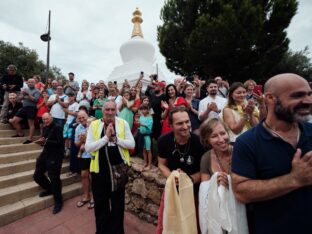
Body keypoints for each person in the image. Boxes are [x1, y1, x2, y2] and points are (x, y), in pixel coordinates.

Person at [231, 73, 312, 234]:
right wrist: (294, 179)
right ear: (270, 98)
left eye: (309, 94)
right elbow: (241, 192)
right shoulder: (247, 143)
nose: (308, 101)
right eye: (298, 95)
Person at [85, 100, 135, 234]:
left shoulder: (122, 123)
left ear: (116, 110)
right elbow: (88, 147)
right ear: (102, 110)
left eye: (113, 109)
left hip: (118, 171)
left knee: (118, 206)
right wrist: (106, 138)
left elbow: (131, 144)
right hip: (99, 172)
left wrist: (116, 139)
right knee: (101, 206)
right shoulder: (94, 125)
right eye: (107, 109)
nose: (110, 112)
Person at [156, 106, 205, 233]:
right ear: (171, 125)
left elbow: (206, 170)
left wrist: (187, 180)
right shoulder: (163, 140)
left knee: (193, 227)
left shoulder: (200, 142)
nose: (185, 126)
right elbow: (161, 165)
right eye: (180, 123)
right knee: (166, 225)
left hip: (194, 192)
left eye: (187, 121)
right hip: (172, 190)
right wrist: (174, 176)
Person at [198, 118, 248, 234]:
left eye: (223, 133)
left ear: (228, 132)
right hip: (218, 215)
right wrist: (214, 183)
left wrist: (230, 182)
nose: (221, 139)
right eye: (214, 136)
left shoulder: (240, 152)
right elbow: (204, 192)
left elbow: (249, 183)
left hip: (244, 210)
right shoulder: (206, 158)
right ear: (207, 140)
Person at [33, 112, 64, 214]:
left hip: (55, 156)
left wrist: (46, 142)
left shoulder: (58, 127)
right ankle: (50, 189)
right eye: (44, 119)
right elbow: (45, 140)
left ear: (51, 117)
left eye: (47, 119)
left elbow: (60, 143)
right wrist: (41, 141)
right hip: (45, 154)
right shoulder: (45, 128)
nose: (45, 121)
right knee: (37, 175)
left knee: (54, 178)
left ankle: (58, 202)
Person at [10, 78, 40, 144]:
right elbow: (19, 99)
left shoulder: (37, 91)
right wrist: (22, 95)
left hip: (32, 108)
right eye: (29, 82)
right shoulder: (25, 89)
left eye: (32, 82)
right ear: (27, 83)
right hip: (24, 107)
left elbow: (36, 100)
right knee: (14, 121)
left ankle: (30, 138)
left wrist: (28, 94)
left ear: (34, 83)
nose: (30, 83)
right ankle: (20, 134)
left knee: (31, 124)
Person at [75, 111, 94, 209]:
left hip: (94, 155)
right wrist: (81, 141)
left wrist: (86, 140)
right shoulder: (78, 128)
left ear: (87, 116)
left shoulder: (94, 124)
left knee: (93, 177)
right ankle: (87, 196)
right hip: (84, 155)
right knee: (84, 175)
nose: (82, 119)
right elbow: (76, 144)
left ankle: (94, 198)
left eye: (83, 117)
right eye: (79, 118)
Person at [138, 103, 153, 170]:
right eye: (142, 109)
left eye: (145, 109)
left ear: (148, 110)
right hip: (142, 135)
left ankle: (149, 164)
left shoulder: (150, 117)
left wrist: (142, 124)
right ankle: (145, 162)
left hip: (147, 136)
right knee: (143, 150)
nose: (143, 111)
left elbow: (149, 126)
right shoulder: (141, 117)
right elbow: (139, 126)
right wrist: (139, 125)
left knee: (148, 150)